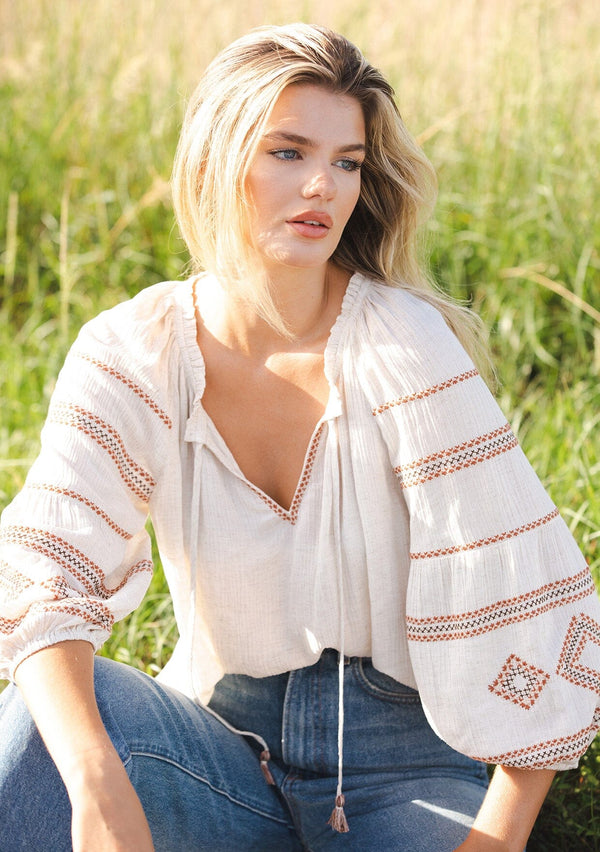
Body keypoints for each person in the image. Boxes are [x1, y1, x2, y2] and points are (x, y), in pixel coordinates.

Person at [0, 22, 598, 852]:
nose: (323, 184)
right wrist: (99, 785)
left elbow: (531, 604)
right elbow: (43, 569)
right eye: (287, 152)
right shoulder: (137, 350)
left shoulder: (404, 347)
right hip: (222, 752)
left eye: (347, 162)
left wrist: (495, 840)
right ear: (216, 159)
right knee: (36, 725)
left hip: (408, 772)